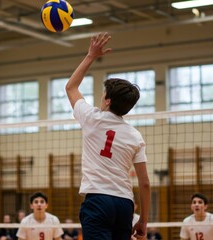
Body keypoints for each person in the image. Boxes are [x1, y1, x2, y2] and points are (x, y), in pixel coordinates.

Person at [65, 32, 151, 240]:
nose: (100, 97)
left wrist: (91, 56)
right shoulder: (135, 136)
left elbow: (71, 87)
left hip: (98, 201)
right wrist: (143, 221)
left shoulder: (92, 118)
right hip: (124, 204)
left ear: (108, 101)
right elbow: (145, 183)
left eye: (103, 94)